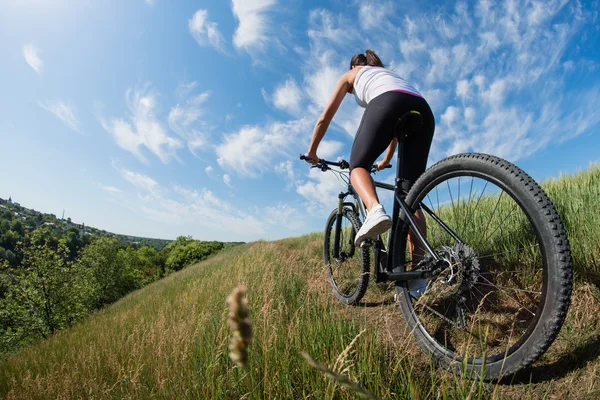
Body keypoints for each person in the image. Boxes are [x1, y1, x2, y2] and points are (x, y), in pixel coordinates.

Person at [303, 49, 435, 256]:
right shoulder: (387, 74)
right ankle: (417, 276)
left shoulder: (352, 74)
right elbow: (395, 131)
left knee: (358, 166)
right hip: (422, 109)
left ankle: (374, 211)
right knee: (411, 197)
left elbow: (325, 118)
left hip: (388, 102)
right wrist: (385, 160)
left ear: (354, 66)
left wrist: (312, 151)